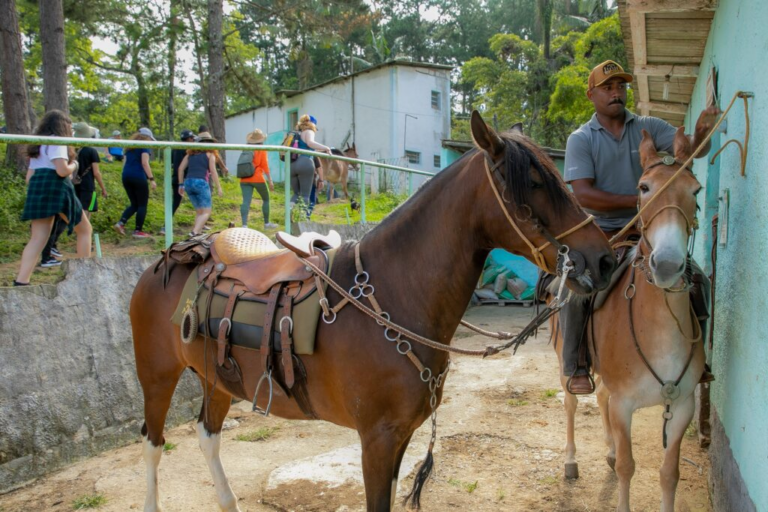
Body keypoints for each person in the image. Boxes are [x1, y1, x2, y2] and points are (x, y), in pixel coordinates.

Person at [560, 60, 719, 394]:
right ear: (591, 95)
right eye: (607, 87)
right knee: (576, 290)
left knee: (699, 282)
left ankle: (697, 360)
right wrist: (640, 200)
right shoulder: (582, 139)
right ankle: (577, 365)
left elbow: (686, 152)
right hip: (599, 234)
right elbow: (583, 193)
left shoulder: (648, 125)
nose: (616, 93)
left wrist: (702, 138)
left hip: (647, 231)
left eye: (621, 86)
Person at [14, 110, 92, 286]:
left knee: (37, 238)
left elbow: (29, 178)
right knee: (85, 230)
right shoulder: (58, 140)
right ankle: (84, 278)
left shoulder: (38, 144)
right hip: (57, 185)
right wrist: (75, 164)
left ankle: (21, 281)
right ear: (63, 126)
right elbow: (62, 170)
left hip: (38, 186)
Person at [178, 131, 223, 236]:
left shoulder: (190, 154)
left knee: (199, 212)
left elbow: (180, 169)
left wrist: (181, 184)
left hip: (188, 182)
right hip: (201, 182)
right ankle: (194, 232)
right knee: (206, 212)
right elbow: (213, 170)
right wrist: (219, 187)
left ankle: (196, 233)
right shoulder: (210, 154)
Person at [114, 128, 157, 238]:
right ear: (146, 137)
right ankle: (138, 231)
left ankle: (121, 223)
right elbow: (145, 163)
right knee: (142, 204)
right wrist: (151, 179)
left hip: (126, 176)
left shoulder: (129, 147)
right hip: (138, 176)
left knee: (134, 204)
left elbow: (124, 162)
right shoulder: (144, 146)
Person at [160, 129, 196, 236]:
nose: (193, 140)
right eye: (192, 138)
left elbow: (171, 163)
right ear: (189, 139)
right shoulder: (188, 150)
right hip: (184, 179)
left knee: (175, 202)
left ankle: (165, 226)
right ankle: (165, 227)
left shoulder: (174, 148)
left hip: (175, 178)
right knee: (177, 203)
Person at [292, 114, 331, 209]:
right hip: (305, 163)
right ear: (313, 124)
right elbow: (310, 143)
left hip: (293, 165)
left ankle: (289, 216)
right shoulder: (309, 131)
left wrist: (321, 149)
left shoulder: (298, 134)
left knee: (296, 194)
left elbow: (308, 147)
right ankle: (302, 220)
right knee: (305, 195)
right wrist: (326, 148)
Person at [239, 129, 277, 228]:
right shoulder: (262, 149)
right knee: (266, 199)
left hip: (244, 178)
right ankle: (266, 223)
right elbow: (265, 165)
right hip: (257, 178)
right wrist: (270, 180)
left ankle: (244, 225)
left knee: (246, 201)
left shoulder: (245, 148)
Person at [72, 122, 107, 220]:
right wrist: (103, 188)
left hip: (75, 183)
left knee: (78, 208)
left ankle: (79, 231)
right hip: (88, 185)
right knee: (87, 209)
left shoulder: (73, 150)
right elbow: (96, 172)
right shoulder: (92, 151)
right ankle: (84, 232)